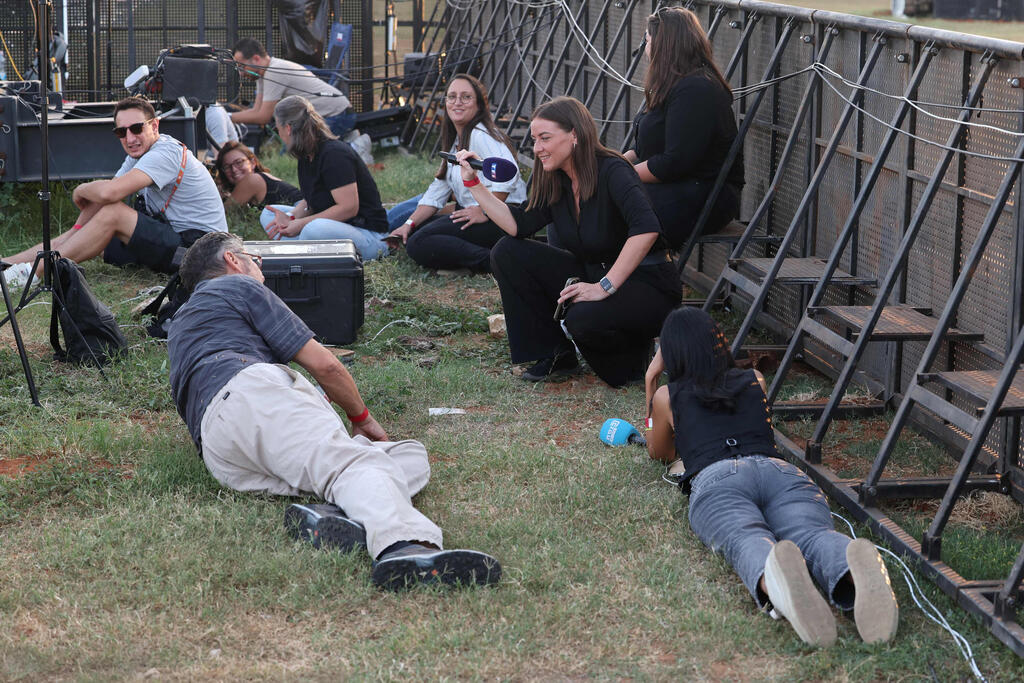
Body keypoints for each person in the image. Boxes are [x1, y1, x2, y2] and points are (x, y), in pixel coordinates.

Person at [167, 231, 502, 590]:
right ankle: (404, 548)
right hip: (251, 396)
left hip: (221, 450)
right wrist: (361, 418)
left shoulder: (181, 323)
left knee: (407, 455)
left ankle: (333, 515)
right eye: (253, 257)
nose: (259, 264)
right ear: (234, 261)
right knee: (359, 463)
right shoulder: (240, 287)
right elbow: (325, 366)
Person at [644, 307, 899, 647]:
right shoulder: (756, 380)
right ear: (719, 344)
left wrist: (650, 382)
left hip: (718, 479)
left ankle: (774, 575)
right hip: (779, 471)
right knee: (812, 534)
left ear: (671, 354)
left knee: (745, 536)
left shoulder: (667, 397)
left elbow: (658, 452)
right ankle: (850, 567)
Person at [456, 96, 680, 387]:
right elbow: (518, 225)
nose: (537, 148)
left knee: (582, 320)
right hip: (594, 272)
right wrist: (474, 184)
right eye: (535, 139)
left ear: (574, 134)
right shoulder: (556, 179)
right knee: (508, 252)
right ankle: (555, 355)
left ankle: (634, 360)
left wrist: (604, 287)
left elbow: (646, 229)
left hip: (647, 282)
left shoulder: (613, 170)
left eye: (545, 138)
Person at [1, 96, 227, 284]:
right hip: (177, 241)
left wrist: (80, 189)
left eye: (137, 128)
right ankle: (8, 264)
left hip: (201, 253)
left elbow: (110, 193)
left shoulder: (165, 153)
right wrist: (76, 229)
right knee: (88, 232)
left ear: (154, 125)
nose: (130, 138)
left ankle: (31, 275)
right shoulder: (140, 153)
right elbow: (103, 198)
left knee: (114, 215)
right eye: (121, 132)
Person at [623, 7, 743, 248]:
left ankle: (634, 280)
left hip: (705, 195)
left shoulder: (696, 90)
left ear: (664, 46)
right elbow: (642, 148)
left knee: (610, 208)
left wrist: (617, 176)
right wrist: (608, 164)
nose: (645, 50)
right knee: (592, 198)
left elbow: (674, 162)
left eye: (647, 41)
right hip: (673, 187)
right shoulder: (673, 85)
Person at [387, 74, 527, 273]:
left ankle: (496, 262)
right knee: (416, 229)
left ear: (479, 104)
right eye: (452, 97)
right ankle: (482, 255)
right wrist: (408, 224)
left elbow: (509, 175)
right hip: (472, 215)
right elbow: (437, 192)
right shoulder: (457, 140)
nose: (457, 102)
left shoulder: (482, 135)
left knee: (419, 243)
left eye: (466, 97)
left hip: (502, 219)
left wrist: (484, 211)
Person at [259, 96, 389, 261]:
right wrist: (291, 217)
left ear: (288, 128)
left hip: (368, 235)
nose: (279, 134)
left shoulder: (334, 154)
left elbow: (349, 208)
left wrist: (301, 224)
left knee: (312, 229)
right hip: (333, 228)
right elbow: (312, 199)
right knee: (268, 215)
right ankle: (304, 247)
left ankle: (301, 249)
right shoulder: (307, 155)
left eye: (277, 128)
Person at [230, 38, 356, 139]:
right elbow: (256, 111)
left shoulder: (275, 72)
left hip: (337, 115)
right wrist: (228, 116)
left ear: (256, 59)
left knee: (303, 150)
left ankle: (355, 146)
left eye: (242, 66)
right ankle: (350, 141)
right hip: (324, 116)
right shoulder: (263, 74)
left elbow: (263, 117)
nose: (241, 73)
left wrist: (226, 118)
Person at [214, 141, 303, 209]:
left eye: (239, 162)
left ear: (253, 162)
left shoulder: (253, 180)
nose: (234, 169)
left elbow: (225, 214)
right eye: (227, 167)